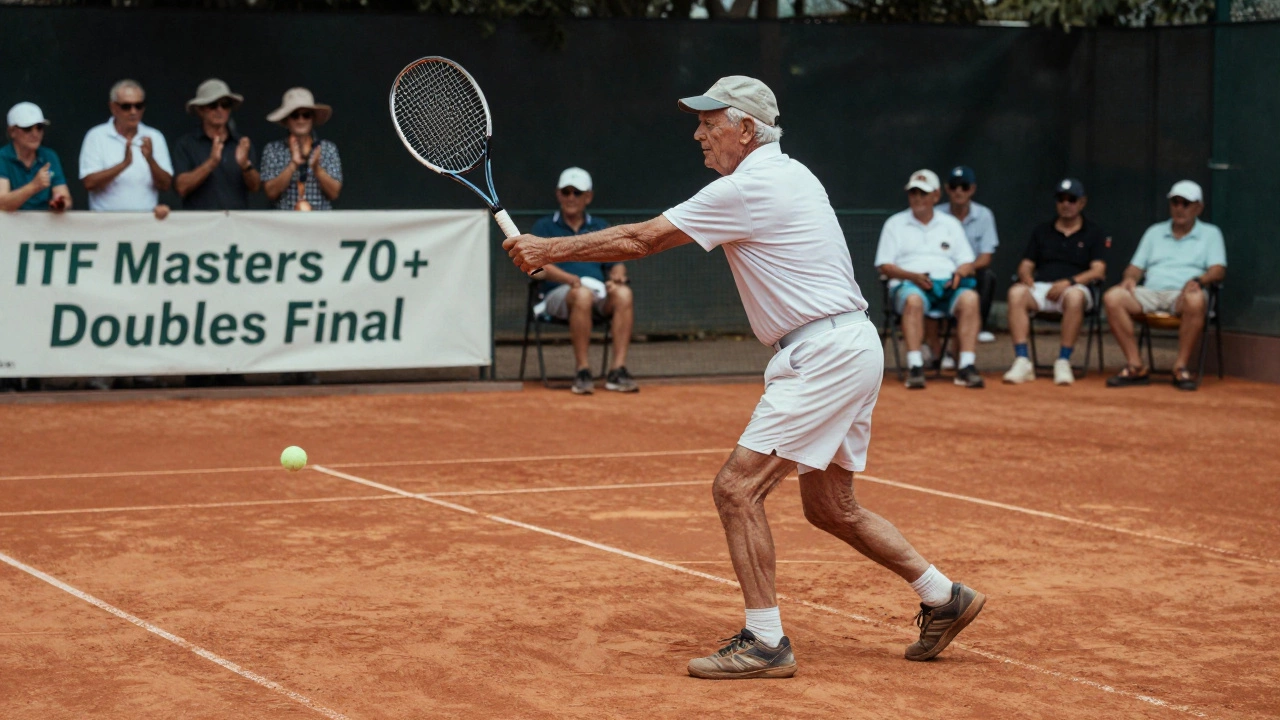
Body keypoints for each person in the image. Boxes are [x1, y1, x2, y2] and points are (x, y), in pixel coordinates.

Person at [503, 76, 984, 678]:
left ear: (746, 130)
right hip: (848, 345)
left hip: (825, 353)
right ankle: (944, 596)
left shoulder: (750, 186)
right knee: (831, 506)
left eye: (710, 123)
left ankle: (766, 641)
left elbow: (641, 238)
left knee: (737, 488)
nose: (699, 134)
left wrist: (547, 250)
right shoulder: (794, 173)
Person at [1103, 180, 1227, 391]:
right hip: (1150, 292)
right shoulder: (1154, 232)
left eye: (1185, 204)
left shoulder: (1211, 233)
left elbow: (1218, 270)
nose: (1179, 208)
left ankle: (1180, 367)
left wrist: (1199, 281)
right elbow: (1135, 267)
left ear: (1199, 208)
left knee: (1196, 299)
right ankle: (1135, 365)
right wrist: (1130, 278)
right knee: (1112, 297)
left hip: (1183, 294)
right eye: (1175, 202)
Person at [529, 167, 637, 394]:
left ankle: (617, 371)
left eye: (576, 193)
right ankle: (583, 371)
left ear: (588, 196)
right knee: (581, 294)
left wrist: (617, 274)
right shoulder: (543, 226)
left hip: (597, 293)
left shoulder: (600, 226)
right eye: (566, 192)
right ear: (558, 194)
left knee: (624, 293)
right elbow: (536, 266)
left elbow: (616, 260)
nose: (571, 198)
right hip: (557, 296)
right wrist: (570, 280)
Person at [874, 169, 985, 389]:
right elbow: (884, 265)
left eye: (923, 193)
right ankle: (915, 366)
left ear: (935, 196)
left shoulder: (950, 224)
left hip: (947, 286)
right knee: (913, 300)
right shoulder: (894, 224)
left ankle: (966, 366)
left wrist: (958, 275)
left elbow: (967, 262)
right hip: (909, 286)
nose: (917, 198)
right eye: (913, 192)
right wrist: (912, 277)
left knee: (970, 298)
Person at [1002, 179, 1108, 386]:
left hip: (1075, 288)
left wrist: (1068, 282)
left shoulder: (1093, 232)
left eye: (1072, 199)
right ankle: (1022, 360)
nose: (1066, 204)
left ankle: (1063, 360)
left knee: (1075, 296)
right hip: (1042, 288)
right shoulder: (1042, 230)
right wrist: (1025, 275)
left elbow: (1098, 270)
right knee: (1016, 293)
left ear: (1082, 202)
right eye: (1061, 199)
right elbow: (1026, 264)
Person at [80, 79, 173, 217]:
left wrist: (150, 160)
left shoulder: (154, 137)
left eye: (139, 105)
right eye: (126, 106)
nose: (133, 111)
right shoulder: (96, 136)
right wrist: (124, 164)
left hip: (143, 225)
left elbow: (165, 185)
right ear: (113, 107)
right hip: (105, 226)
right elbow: (89, 183)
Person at [173, 79, 260, 210]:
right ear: (200, 110)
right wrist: (211, 163)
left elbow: (255, 188)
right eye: (213, 105)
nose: (219, 110)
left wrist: (245, 166)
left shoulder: (241, 143)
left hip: (235, 224)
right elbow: (181, 187)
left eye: (225, 105)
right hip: (199, 225)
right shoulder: (186, 144)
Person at [938, 165, 998, 344]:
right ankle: (935, 341)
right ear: (947, 189)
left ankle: (978, 326)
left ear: (972, 189)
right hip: (941, 271)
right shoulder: (937, 214)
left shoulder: (985, 215)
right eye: (954, 186)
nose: (958, 191)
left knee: (987, 277)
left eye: (964, 186)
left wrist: (965, 269)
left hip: (972, 270)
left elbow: (986, 256)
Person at [261, 87, 342, 211]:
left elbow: (335, 193)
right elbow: (270, 193)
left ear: (312, 119)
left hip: (320, 225)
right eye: (295, 115)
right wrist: (293, 165)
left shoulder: (327, 149)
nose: (301, 120)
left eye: (306, 115)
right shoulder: (272, 150)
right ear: (286, 120)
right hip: (284, 225)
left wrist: (317, 169)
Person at [0, 102, 71, 213]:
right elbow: (2, 204)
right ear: (12, 132)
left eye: (39, 127)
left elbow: (65, 197)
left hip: (45, 227)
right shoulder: (2, 157)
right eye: (27, 128)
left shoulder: (50, 156)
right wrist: (33, 186)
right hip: (8, 228)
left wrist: (60, 203)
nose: (35, 133)